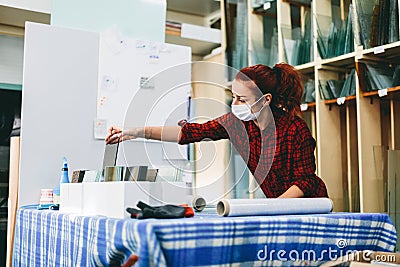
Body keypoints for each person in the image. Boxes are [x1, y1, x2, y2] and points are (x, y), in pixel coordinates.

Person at [105, 63, 328, 198]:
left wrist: (273, 207)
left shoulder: (295, 130)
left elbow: (305, 182)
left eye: (243, 99)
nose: (236, 104)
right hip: (276, 207)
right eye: (234, 98)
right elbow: (189, 133)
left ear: (265, 99)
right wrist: (133, 132)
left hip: (309, 206)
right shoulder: (238, 124)